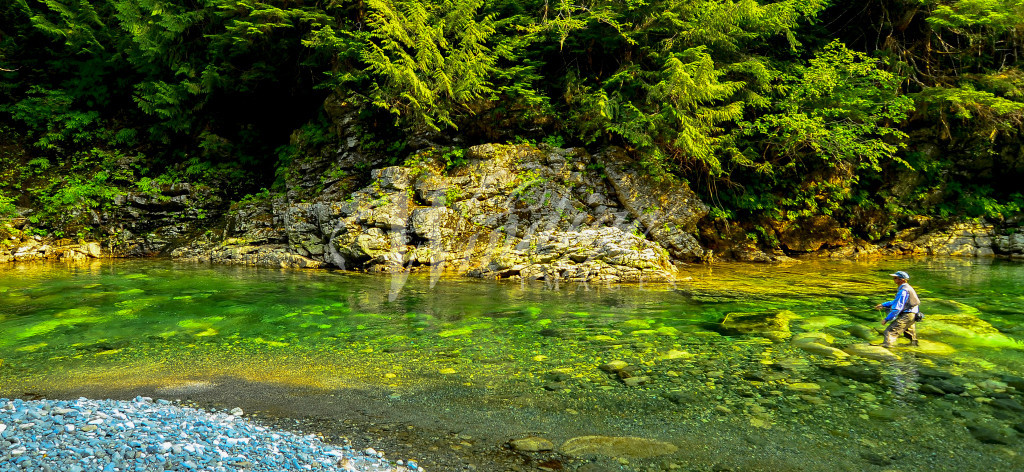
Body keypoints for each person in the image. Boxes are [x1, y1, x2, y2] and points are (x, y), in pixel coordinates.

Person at [873, 270, 920, 348]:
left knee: (889, 332)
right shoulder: (907, 288)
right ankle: (914, 348)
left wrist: (887, 319)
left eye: (895, 278)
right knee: (910, 334)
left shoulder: (903, 291)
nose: (893, 279)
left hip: (907, 315)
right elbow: (896, 301)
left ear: (902, 280)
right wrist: (883, 305)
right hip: (913, 315)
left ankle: (888, 348)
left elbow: (897, 308)